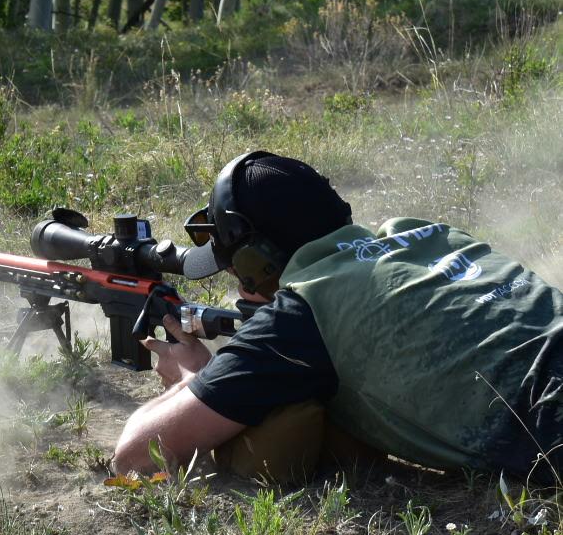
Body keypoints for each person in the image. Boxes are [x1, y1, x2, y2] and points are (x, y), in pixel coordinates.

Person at [111, 150, 563, 484]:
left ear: (256, 259)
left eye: (233, 265)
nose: (235, 278)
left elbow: (134, 457)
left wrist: (192, 376)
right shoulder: (431, 235)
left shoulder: (305, 312)